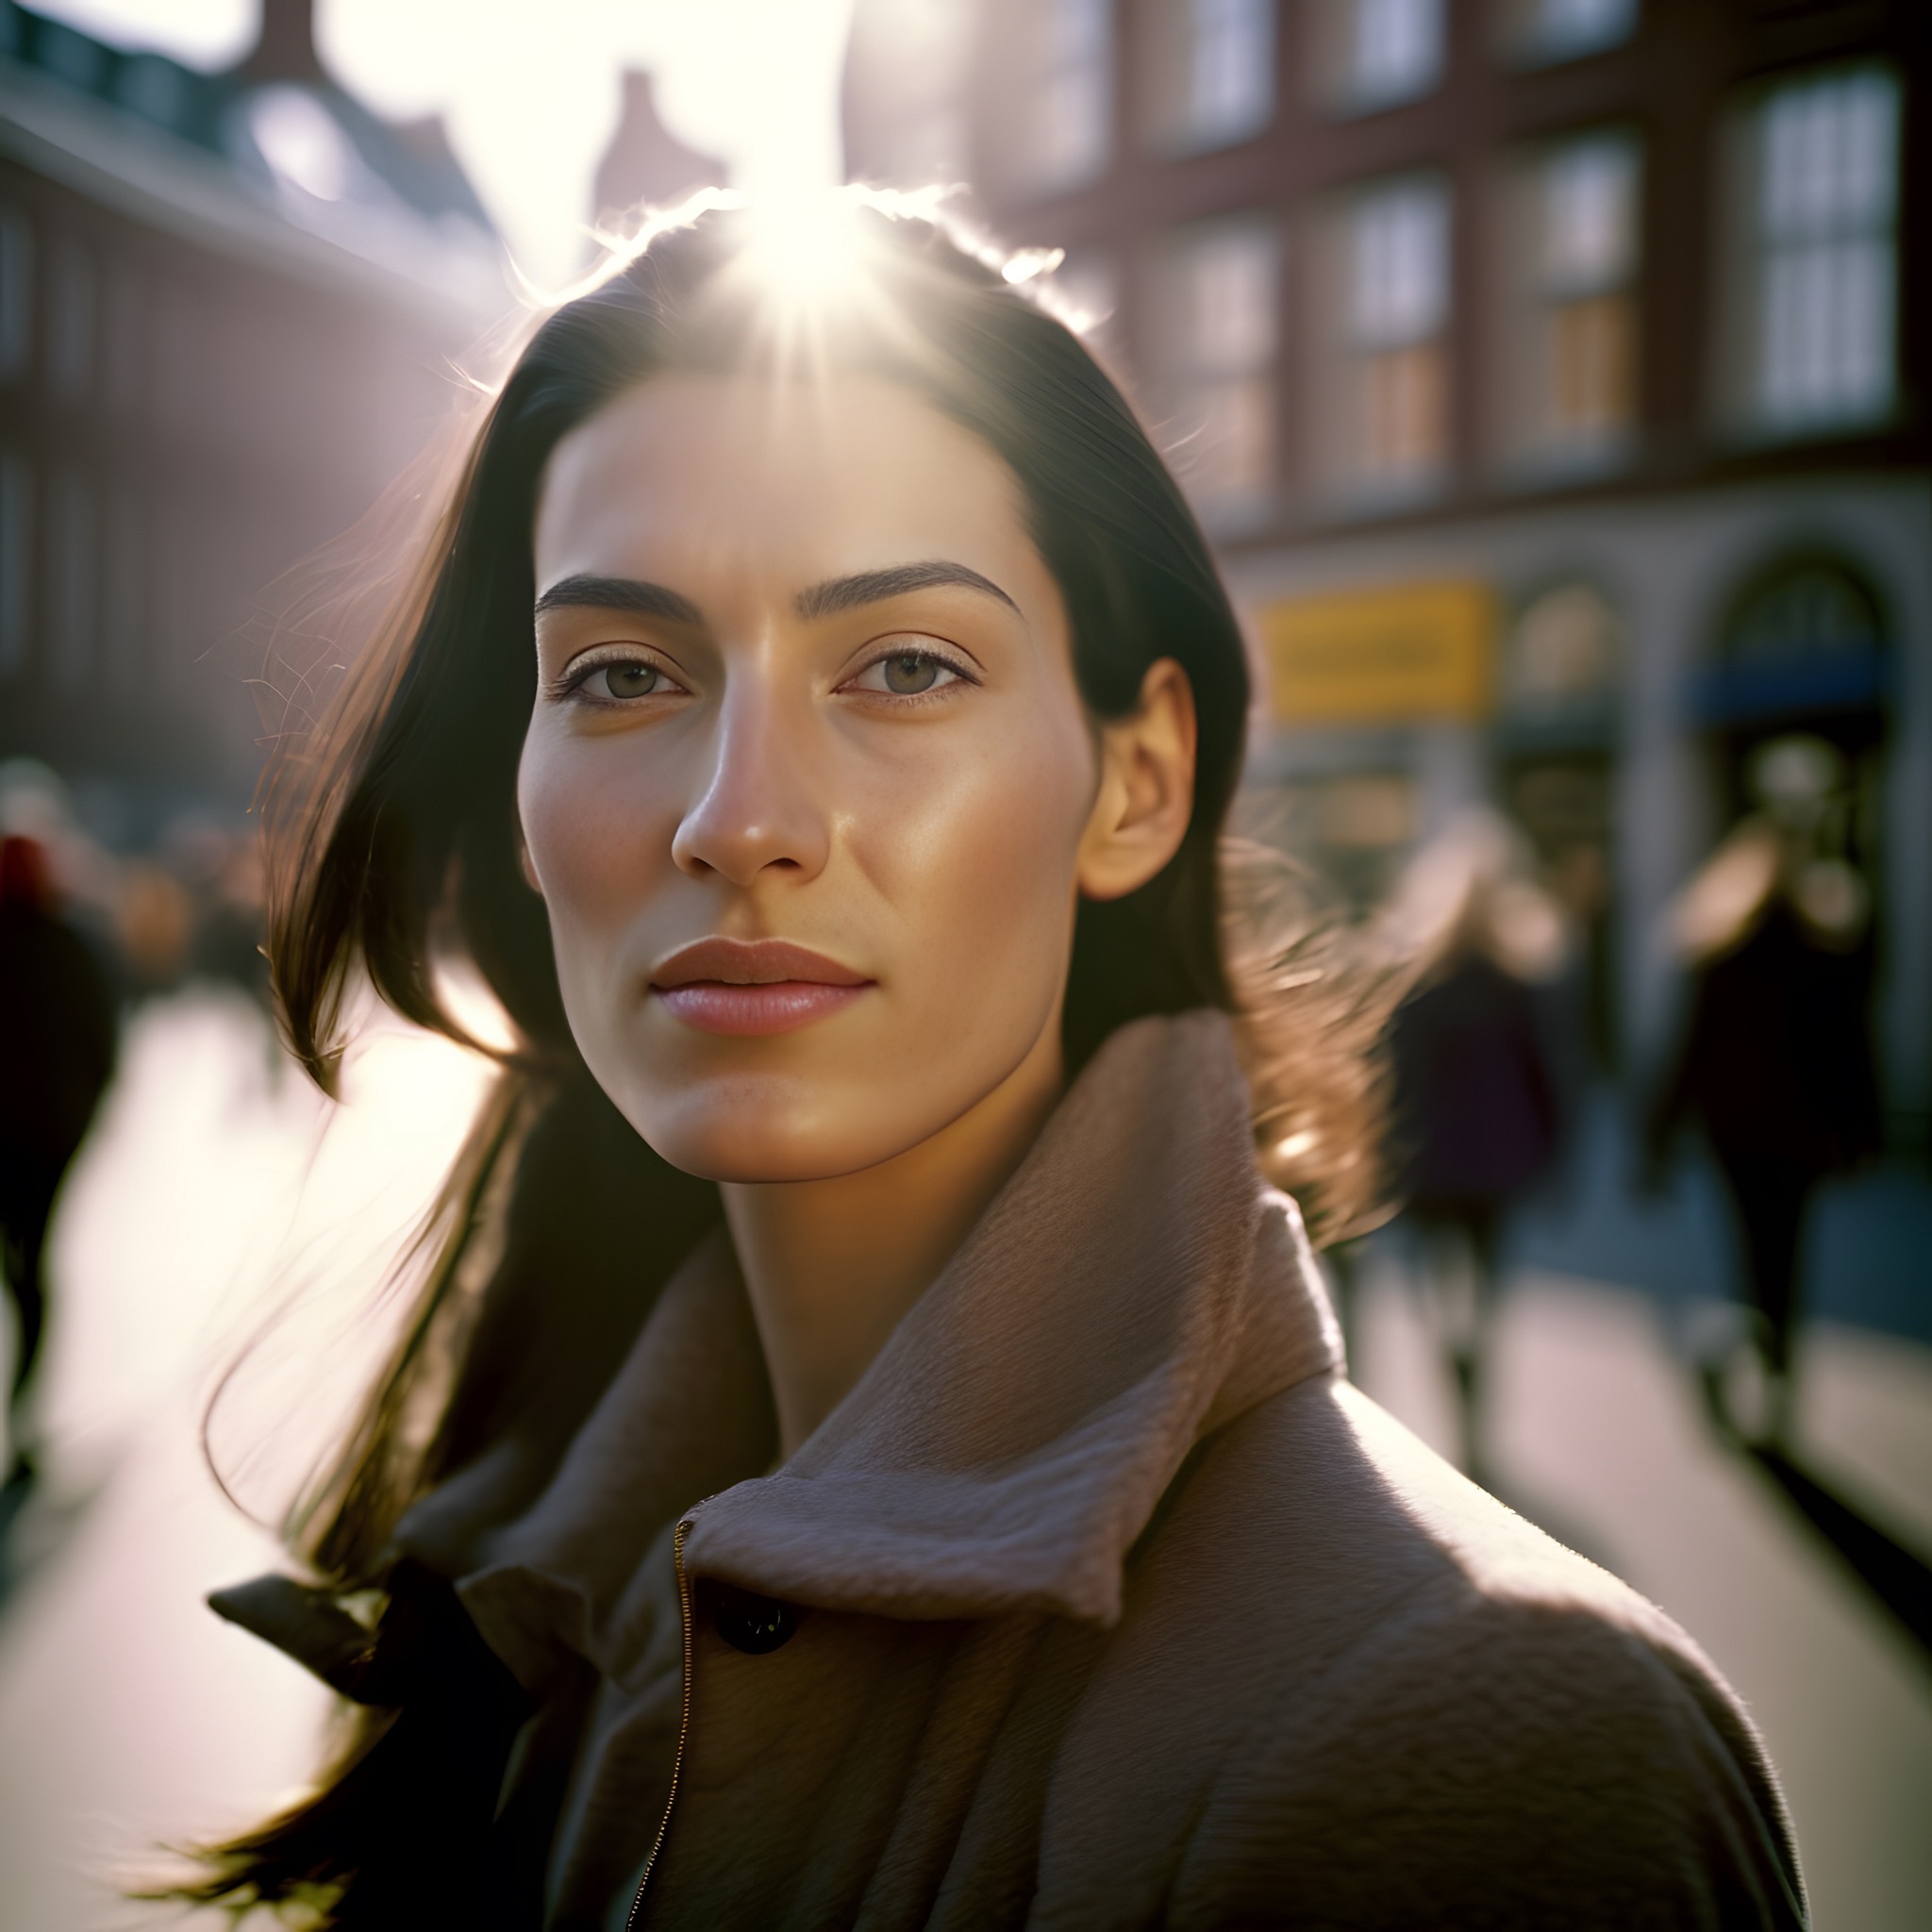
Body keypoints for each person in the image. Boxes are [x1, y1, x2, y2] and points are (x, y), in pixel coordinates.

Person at [180, 200, 1805, 1929]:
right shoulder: (515, 1604)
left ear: (1135, 782)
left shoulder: (1491, 1755)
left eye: (900, 664)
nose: (740, 818)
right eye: (620, 673)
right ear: (513, 798)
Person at [1648, 734, 1882, 1441]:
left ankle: (1756, 1342)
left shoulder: (1723, 950)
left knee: (1753, 1242)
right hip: (1801, 1127)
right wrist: (1863, 1127)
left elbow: (1686, 1050)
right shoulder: (1825, 947)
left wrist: (1655, 1137)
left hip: (1736, 1126)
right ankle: (1779, 1361)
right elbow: (1853, 1049)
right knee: (1789, 1246)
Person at [1381, 813, 1572, 1484]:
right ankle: (1476, 1406)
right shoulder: (1518, 980)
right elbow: (1549, 1078)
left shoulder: (1415, 983)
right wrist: (1556, 1159)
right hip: (1497, 1165)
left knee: (1437, 1289)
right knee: (1488, 1288)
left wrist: (1381, 1164)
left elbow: (1391, 1082)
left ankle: (1453, 1369)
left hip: (1430, 1166)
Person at [0, 834, 119, 1499]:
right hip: (48, 1142)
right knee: (34, 1275)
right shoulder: (69, 949)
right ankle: (22, 1417)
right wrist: (81, 1119)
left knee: (21, 1275)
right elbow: (101, 1043)